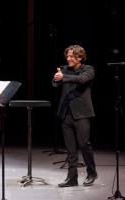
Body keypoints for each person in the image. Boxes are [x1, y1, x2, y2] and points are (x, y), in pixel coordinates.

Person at [53, 44, 98, 187]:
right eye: (67, 56)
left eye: (71, 56)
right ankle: (72, 178)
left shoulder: (88, 69)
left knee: (84, 144)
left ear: (80, 57)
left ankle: (92, 172)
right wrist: (56, 79)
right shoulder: (64, 69)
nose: (68, 58)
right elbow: (55, 84)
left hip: (82, 114)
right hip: (66, 114)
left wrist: (63, 77)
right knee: (70, 149)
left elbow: (82, 80)